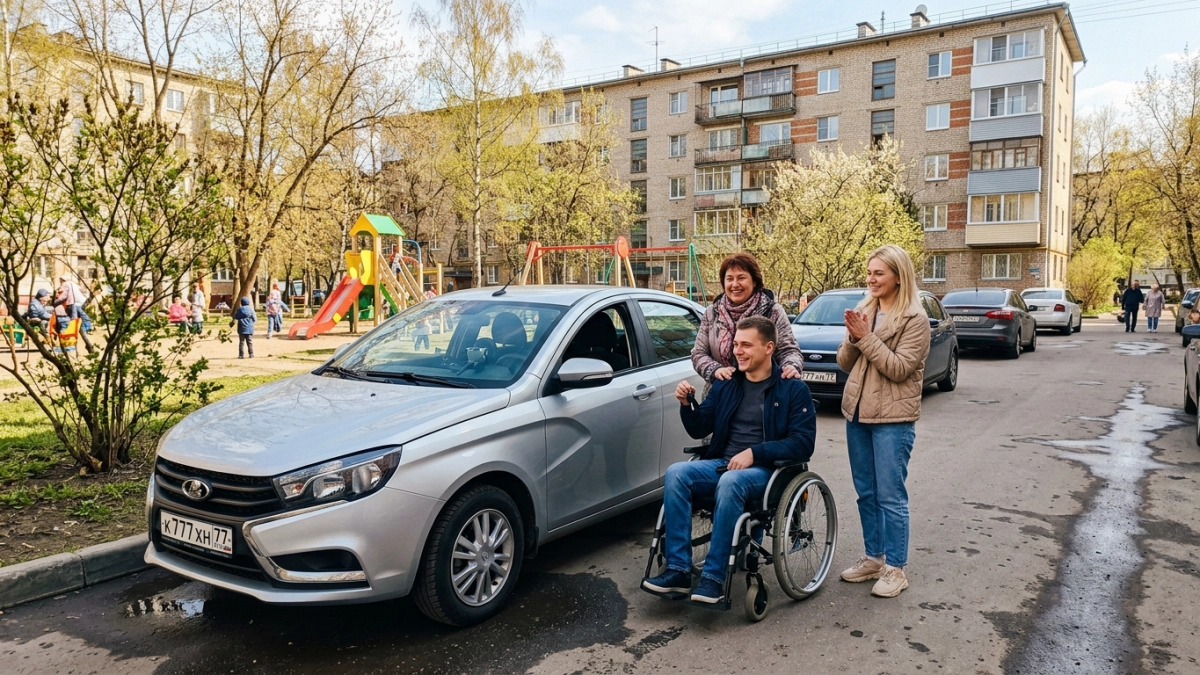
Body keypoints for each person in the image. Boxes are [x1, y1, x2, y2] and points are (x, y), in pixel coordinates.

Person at [641, 315, 817, 604]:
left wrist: (754, 453)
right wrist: (688, 405)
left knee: (732, 481)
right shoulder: (727, 383)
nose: (738, 351)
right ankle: (678, 569)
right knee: (676, 473)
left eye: (746, 345)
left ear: (769, 347)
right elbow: (701, 427)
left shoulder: (792, 388)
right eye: (736, 344)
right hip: (724, 463)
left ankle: (713, 576)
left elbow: (802, 444)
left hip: (768, 473)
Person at [837, 244, 931, 599]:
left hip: (893, 418)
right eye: (869, 272)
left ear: (897, 276)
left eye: (879, 273)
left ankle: (896, 567)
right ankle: (874, 558)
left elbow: (899, 369)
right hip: (857, 413)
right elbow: (845, 362)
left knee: (891, 496)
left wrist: (865, 337)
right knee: (866, 493)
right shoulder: (866, 309)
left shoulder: (914, 320)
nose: (871, 279)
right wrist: (852, 337)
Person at [692, 253, 803, 389]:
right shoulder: (712, 313)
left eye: (741, 278)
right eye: (729, 279)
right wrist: (716, 370)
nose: (735, 284)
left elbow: (789, 350)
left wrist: (791, 367)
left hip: (764, 393)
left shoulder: (772, 311)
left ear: (754, 281)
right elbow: (698, 353)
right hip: (721, 392)